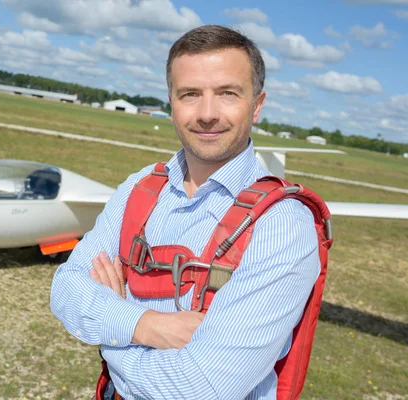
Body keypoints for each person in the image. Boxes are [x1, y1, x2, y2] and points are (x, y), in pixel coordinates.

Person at [50, 25, 320, 399]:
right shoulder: (141, 188)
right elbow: (66, 289)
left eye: (228, 93)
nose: (207, 114)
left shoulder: (282, 225)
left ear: (257, 105)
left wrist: (110, 334)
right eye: (190, 94)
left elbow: (201, 387)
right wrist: (146, 325)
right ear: (171, 103)